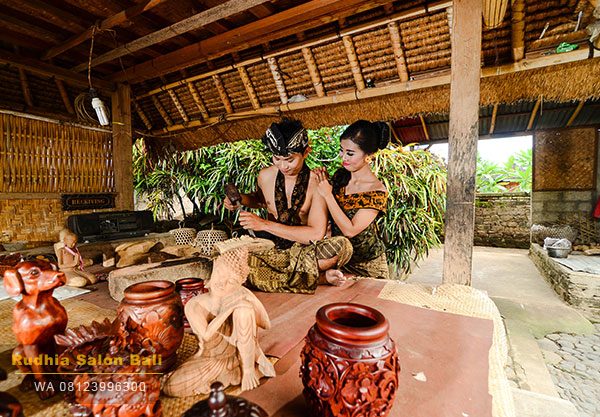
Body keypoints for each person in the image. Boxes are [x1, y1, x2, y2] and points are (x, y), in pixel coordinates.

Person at [223, 119, 352, 293]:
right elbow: (261, 200)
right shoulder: (265, 175)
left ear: (306, 152)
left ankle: (293, 275)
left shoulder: (317, 183)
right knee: (228, 259)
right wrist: (240, 200)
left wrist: (263, 224)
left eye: (290, 160)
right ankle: (318, 277)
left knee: (342, 247)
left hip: (305, 252)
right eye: (277, 159)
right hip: (272, 252)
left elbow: (315, 234)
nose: (283, 166)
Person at [163, 247, 275, 397]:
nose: (222, 283)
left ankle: (247, 370)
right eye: (220, 274)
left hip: (238, 356)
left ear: (240, 283)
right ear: (215, 265)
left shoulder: (240, 297)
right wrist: (227, 310)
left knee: (244, 310)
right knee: (172, 386)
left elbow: (264, 325)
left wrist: (245, 298)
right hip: (209, 360)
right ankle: (243, 372)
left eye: (232, 281)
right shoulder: (194, 305)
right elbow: (207, 335)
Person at [314, 120, 390, 279]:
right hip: (338, 260)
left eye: (350, 153)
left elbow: (350, 230)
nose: (343, 157)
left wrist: (327, 194)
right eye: (342, 150)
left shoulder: (377, 191)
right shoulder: (340, 177)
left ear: (369, 156)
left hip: (369, 266)